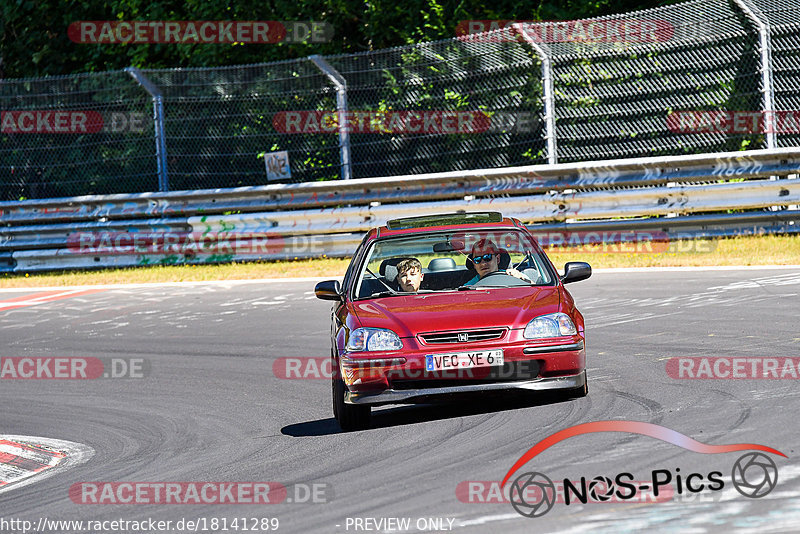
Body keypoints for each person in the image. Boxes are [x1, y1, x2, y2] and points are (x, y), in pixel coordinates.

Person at [463, 238, 531, 286]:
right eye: (477, 260)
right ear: (474, 264)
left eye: (487, 257)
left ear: (497, 259)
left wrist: (522, 278)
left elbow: (535, 288)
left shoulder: (511, 275)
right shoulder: (471, 285)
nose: (483, 263)